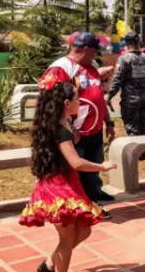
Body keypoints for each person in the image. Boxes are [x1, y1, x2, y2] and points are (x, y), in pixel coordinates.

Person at [19, 76, 115, 272]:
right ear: (66, 104)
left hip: (62, 184)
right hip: (59, 190)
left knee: (83, 230)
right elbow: (77, 163)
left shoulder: (61, 124)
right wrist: (103, 165)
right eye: (76, 97)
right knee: (68, 237)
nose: (79, 100)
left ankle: (51, 264)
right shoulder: (60, 129)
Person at [42, 32, 116, 216]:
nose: (96, 55)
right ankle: (83, 206)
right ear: (83, 50)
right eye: (94, 51)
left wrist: (109, 122)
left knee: (93, 165)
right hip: (74, 133)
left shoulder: (92, 66)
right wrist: (70, 128)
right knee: (76, 171)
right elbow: (51, 104)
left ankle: (93, 196)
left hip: (94, 130)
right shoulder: (61, 69)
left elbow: (98, 96)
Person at [107, 32, 145, 136]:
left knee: (132, 128)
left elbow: (117, 80)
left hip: (130, 100)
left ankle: (137, 152)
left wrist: (109, 96)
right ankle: (143, 151)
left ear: (126, 44)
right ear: (138, 42)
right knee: (143, 126)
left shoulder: (124, 59)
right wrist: (144, 78)